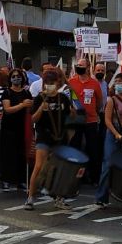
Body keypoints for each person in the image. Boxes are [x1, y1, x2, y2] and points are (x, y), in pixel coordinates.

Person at [25, 69, 73, 210]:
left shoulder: (63, 98)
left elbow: (70, 118)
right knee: (39, 166)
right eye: (47, 83)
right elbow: (33, 119)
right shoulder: (39, 98)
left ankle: (59, 198)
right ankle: (30, 197)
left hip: (60, 136)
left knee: (60, 168)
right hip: (44, 135)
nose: (50, 85)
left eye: (52, 83)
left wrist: (73, 114)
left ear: (58, 83)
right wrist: (41, 108)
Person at [95, 71, 122, 207]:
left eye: (121, 82)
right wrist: (116, 134)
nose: (118, 85)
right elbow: (107, 120)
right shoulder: (111, 100)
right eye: (116, 82)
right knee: (108, 165)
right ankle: (101, 197)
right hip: (113, 135)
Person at [69, 59, 104, 194]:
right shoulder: (71, 82)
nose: (79, 68)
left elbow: (99, 103)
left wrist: (91, 111)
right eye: (78, 66)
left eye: (82, 66)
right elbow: (69, 99)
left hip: (91, 121)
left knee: (92, 149)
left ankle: (94, 177)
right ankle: (76, 177)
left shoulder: (94, 84)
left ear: (88, 67)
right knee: (75, 147)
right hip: (76, 121)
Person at [0, 67, 32, 191]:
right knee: (8, 154)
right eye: (13, 76)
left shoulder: (26, 93)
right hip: (9, 128)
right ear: (10, 79)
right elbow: (7, 110)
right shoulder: (7, 92)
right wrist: (22, 105)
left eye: (18, 76)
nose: (16, 78)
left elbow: (30, 109)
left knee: (21, 154)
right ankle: (6, 180)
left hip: (22, 128)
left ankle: (21, 180)